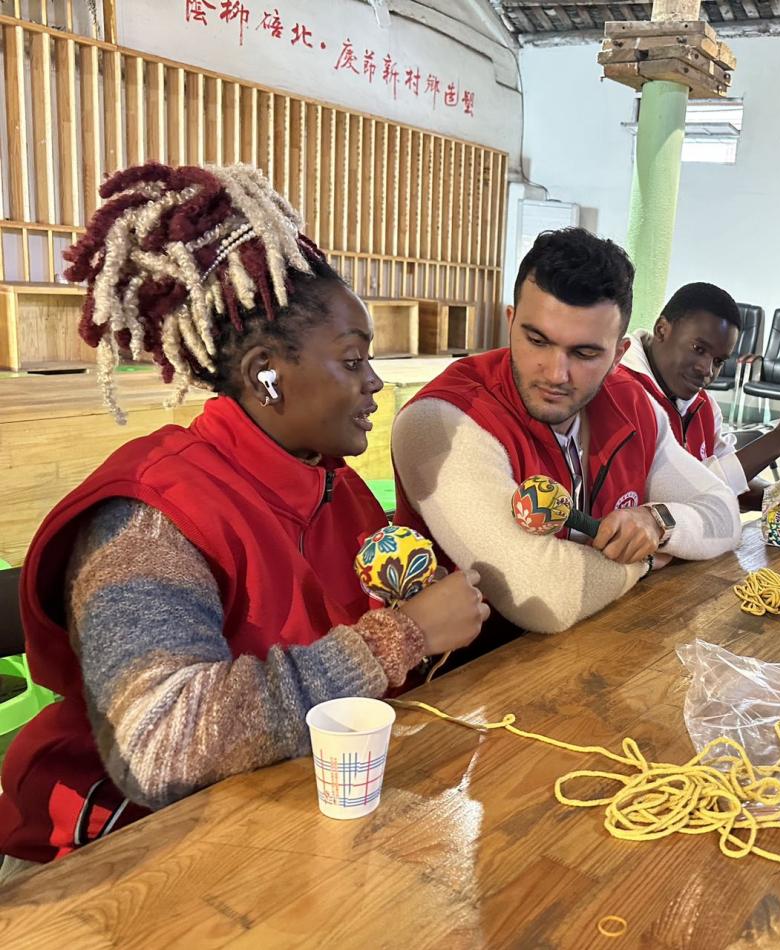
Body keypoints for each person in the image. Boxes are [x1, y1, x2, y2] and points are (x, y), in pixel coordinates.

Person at [0, 163, 486, 884]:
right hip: (111, 860)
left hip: (279, 827)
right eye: (353, 359)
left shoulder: (335, 482)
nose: (375, 382)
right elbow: (157, 746)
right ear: (266, 373)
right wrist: (400, 637)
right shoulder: (148, 516)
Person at [392, 230, 741, 643]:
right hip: (474, 674)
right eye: (536, 340)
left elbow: (723, 514)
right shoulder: (440, 420)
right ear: (510, 322)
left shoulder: (632, 403)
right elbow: (543, 596)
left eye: (585, 353)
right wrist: (646, 561)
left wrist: (656, 522)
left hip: (602, 649)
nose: (556, 374)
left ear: (618, 354)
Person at [621, 282, 780, 509]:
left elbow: (733, 481)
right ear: (661, 330)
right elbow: (678, 498)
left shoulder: (703, 406)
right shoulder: (619, 394)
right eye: (698, 349)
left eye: (718, 361)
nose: (707, 370)